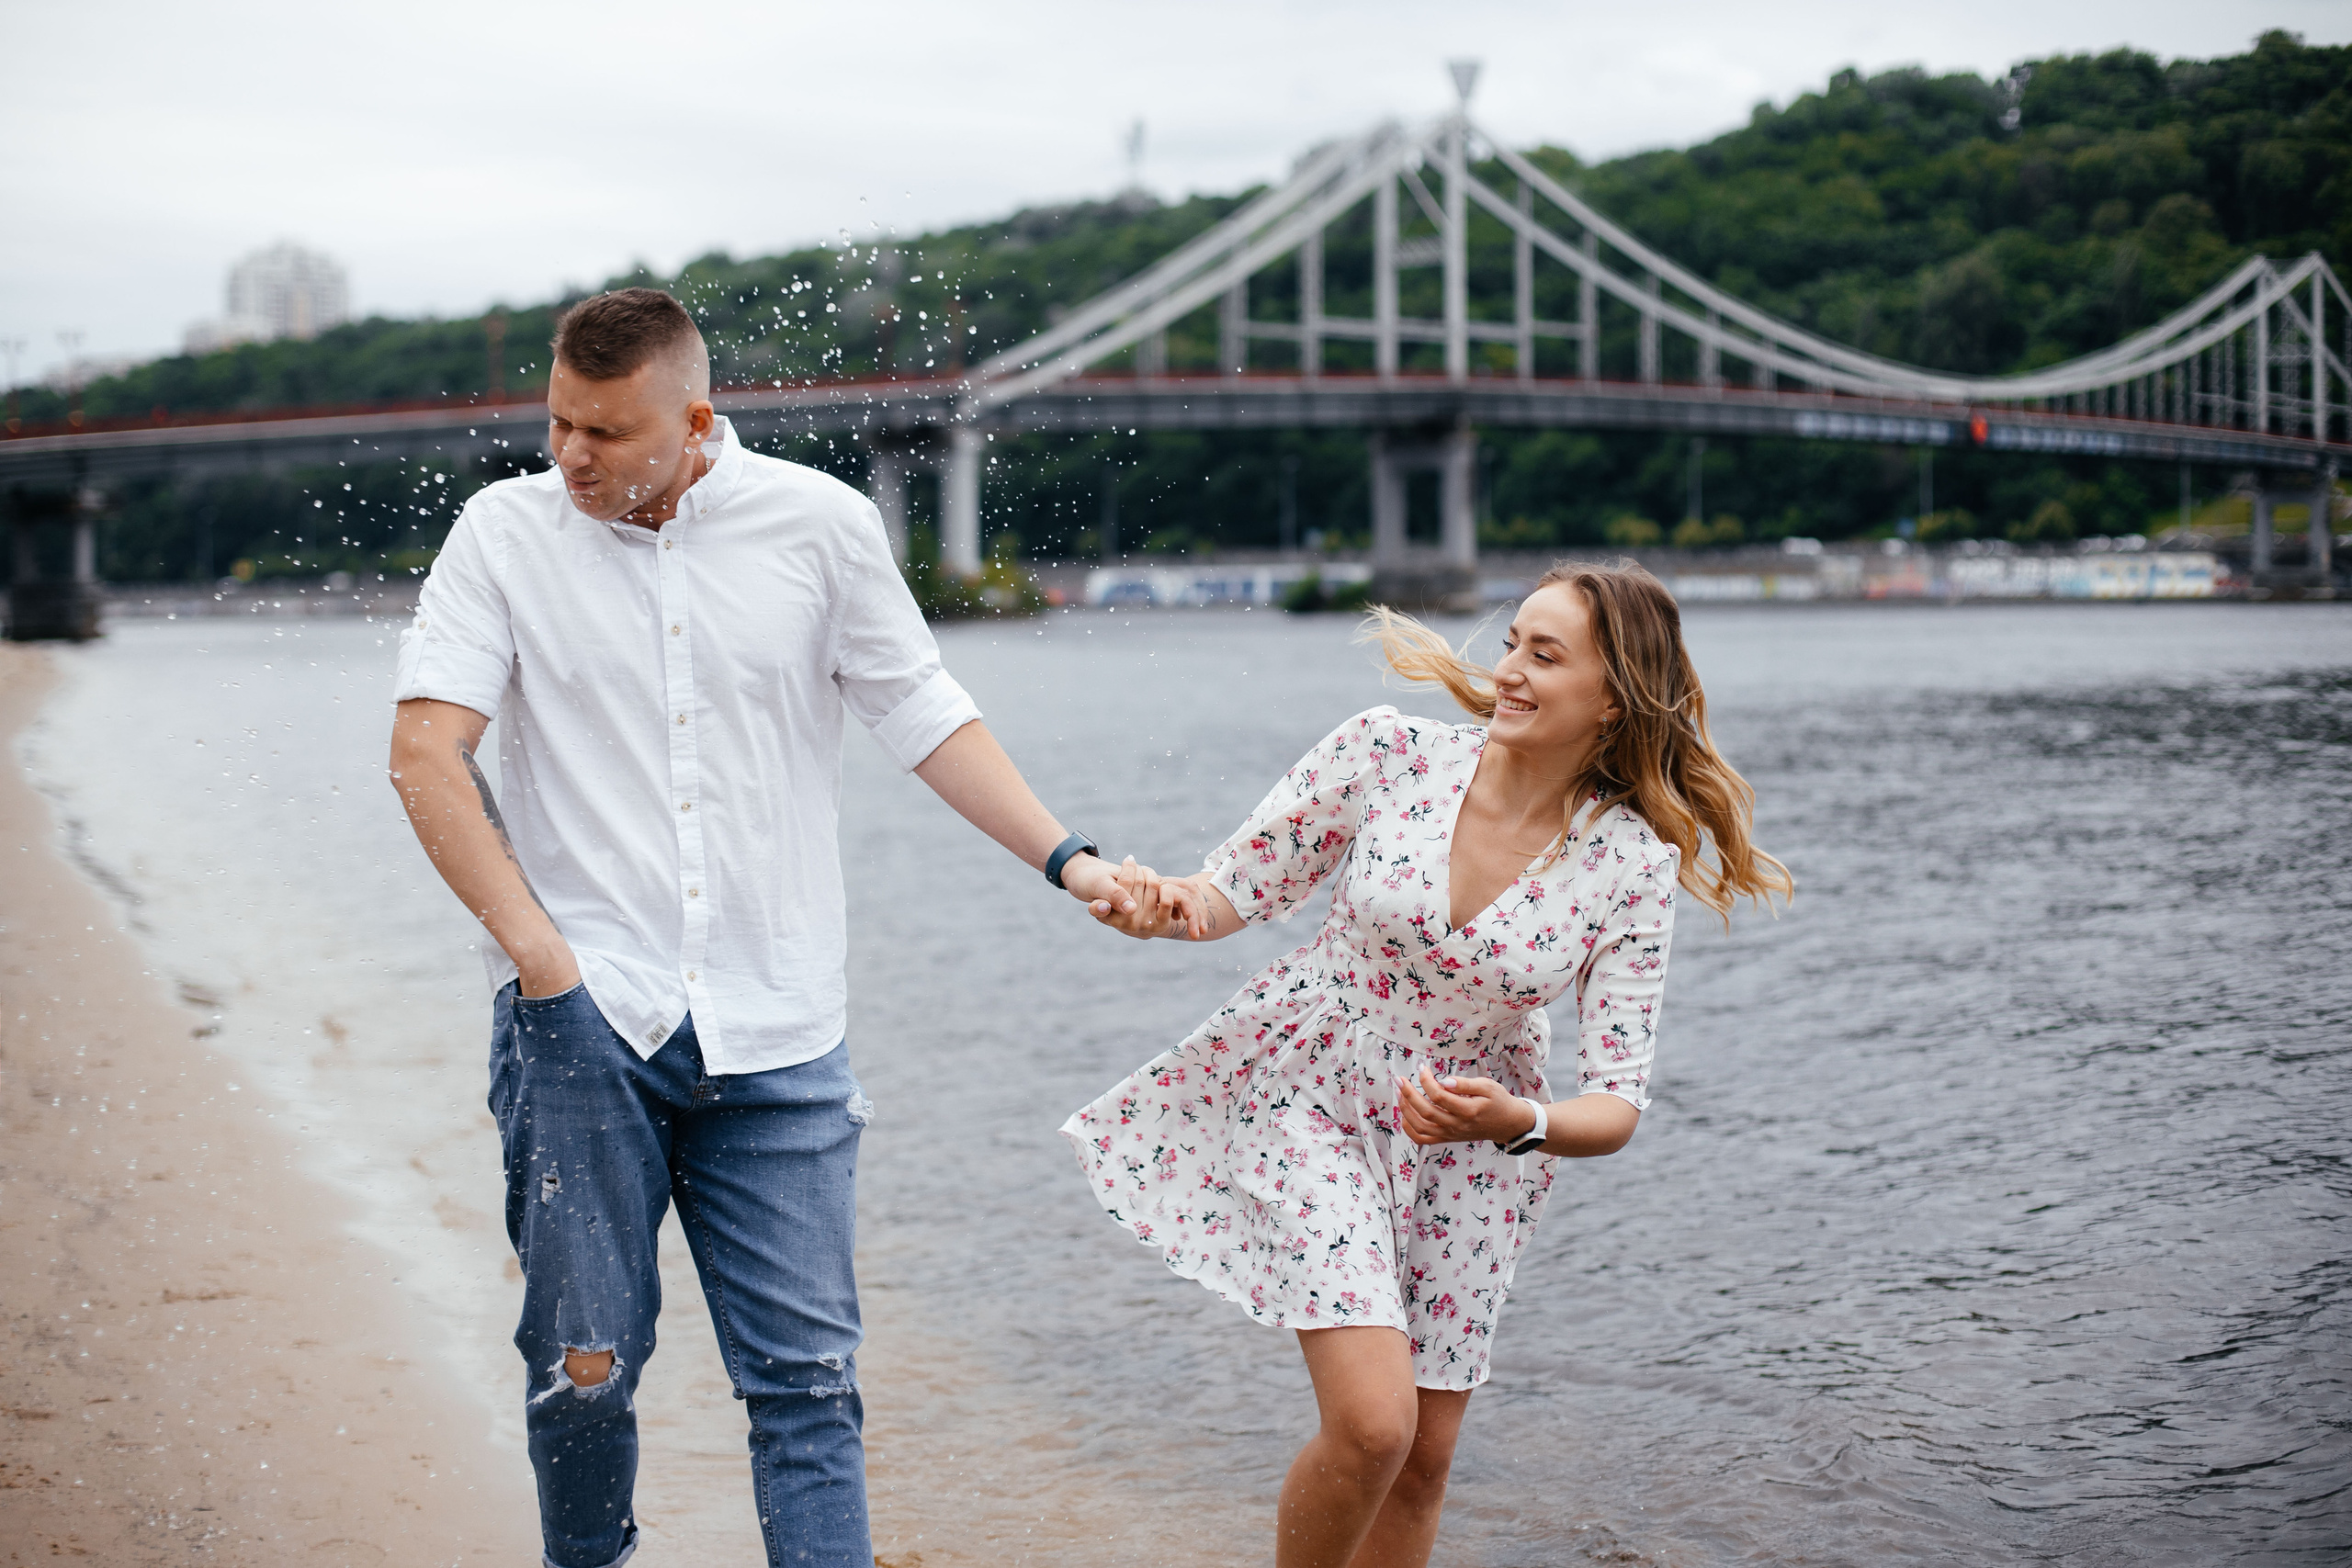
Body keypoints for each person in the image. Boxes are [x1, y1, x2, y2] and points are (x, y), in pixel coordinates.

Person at [388, 287, 1141, 1568]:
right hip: (581, 1023)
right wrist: (542, 958)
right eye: (558, 421)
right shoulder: (502, 533)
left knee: (807, 1384)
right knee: (585, 1365)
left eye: (609, 433)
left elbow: (921, 714)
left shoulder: (821, 526)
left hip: (782, 1034)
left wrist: (1067, 857)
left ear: (697, 419)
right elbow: (425, 753)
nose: (571, 455)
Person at [1068, 563, 1791, 1568]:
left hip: (1475, 1149)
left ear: (1613, 697)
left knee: (1423, 1457)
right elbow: (1227, 892)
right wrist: (1153, 906)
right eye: (1511, 644)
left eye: (1545, 655)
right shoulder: (1388, 753)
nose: (1509, 671)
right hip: (1311, 1094)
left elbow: (1616, 1103)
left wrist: (1515, 1123)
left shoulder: (1628, 865)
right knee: (1373, 1426)